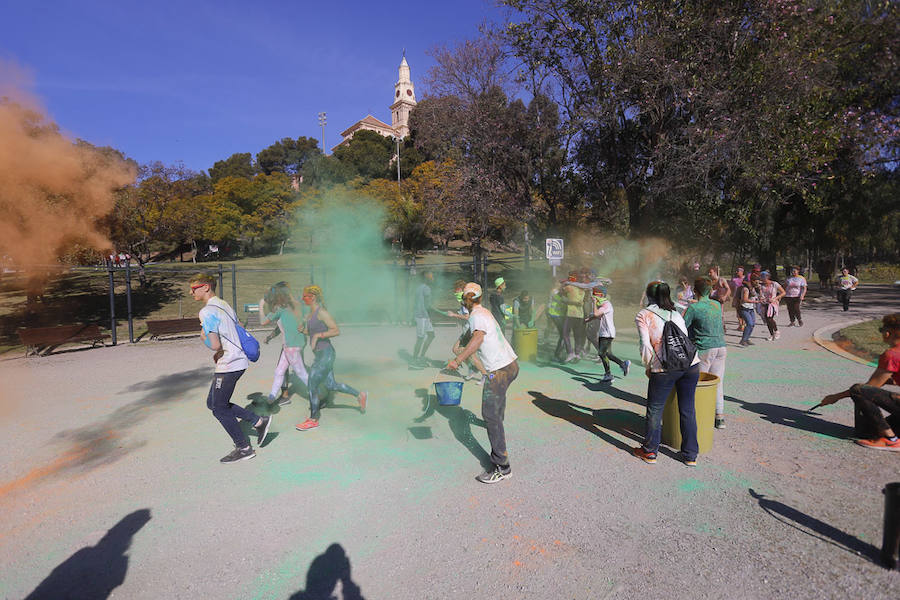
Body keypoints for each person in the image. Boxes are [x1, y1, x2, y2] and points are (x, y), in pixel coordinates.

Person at [189, 273, 272, 463]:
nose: (190, 292)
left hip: (230, 363)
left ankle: (244, 448)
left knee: (219, 408)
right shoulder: (224, 304)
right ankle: (259, 421)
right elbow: (238, 326)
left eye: (194, 288)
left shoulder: (207, 311)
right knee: (213, 403)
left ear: (206, 287)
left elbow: (215, 344)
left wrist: (205, 340)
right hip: (236, 361)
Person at [448, 282, 519, 483]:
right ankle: (499, 427)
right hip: (511, 365)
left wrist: (457, 361)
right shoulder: (482, 312)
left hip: (499, 370)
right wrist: (460, 345)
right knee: (495, 410)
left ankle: (502, 467)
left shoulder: (477, 316)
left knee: (489, 414)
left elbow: (478, 339)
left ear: (465, 299)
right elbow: (470, 336)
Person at [633, 281, 701, 466]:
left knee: (655, 410)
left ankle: (650, 452)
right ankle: (690, 455)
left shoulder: (644, 315)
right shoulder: (676, 312)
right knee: (687, 409)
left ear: (648, 295)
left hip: (664, 368)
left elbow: (645, 345)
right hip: (691, 364)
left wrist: (650, 367)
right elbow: (684, 337)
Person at [819, 314, 900, 450]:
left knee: (858, 390)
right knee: (868, 431)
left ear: (888, 333)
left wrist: (835, 397)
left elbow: (868, 388)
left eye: (881, 330)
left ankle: (890, 439)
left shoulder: (891, 354)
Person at [295, 285, 367, 431]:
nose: (303, 299)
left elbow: (335, 330)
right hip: (321, 355)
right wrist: (304, 330)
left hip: (326, 354)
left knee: (312, 384)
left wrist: (317, 336)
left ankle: (313, 419)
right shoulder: (311, 313)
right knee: (331, 385)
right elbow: (311, 331)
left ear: (313, 297)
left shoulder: (321, 312)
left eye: (305, 296)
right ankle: (359, 394)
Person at [684, 277, 728, 429]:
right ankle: (719, 416)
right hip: (721, 346)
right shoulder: (716, 304)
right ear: (710, 290)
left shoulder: (694, 308)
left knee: (699, 383)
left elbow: (682, 326)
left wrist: (688, 308)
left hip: (704, 348)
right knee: (717, 381)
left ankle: (700, 415)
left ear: (695, 291)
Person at [259, 282, 309, 406]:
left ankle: (317, 395)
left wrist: (260, 306)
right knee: (279, 371)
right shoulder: (295, 306)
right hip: (291, 346)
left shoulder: (281, 309)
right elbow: (283, 325)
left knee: (301, 373)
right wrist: (270, 337)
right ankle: (271, 397)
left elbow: (263, 322)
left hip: (291, 347)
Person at [584, 286, 630, 383]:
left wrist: (594, 303)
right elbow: (597, 315)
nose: (592, 295)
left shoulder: (606, 304)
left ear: (600, 294)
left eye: (594, 293)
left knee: (601, 353)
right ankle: (622, 364)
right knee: (606, 354)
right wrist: (588, 319)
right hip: (603, 332)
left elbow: (596, 314)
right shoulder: (602, 305)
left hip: (607, 333)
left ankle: (609, 374)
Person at [411, 271, 438, 367]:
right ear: (426, 279)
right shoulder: (426, 289)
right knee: (420, 338)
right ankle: (414, 360)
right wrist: (433, 315)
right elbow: (428, 305)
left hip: (421, 315)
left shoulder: (419, 288)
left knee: (431, 335)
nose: (433, 278)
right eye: (431, 277)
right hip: (422, 316)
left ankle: (421, 357)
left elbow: (416, 302)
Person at [562, 271, 586, 362]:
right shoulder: (583, 289)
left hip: (570, 314)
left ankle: (570, 353)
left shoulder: (569, 287)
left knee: (565, 333)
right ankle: (577, 353)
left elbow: (562, 298)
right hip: (580, 314)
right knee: (577, 335)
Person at [757, 271, 785, 341]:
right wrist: (761, 297)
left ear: (767, 277)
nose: (762, 279)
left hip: (772, 304)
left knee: (769, 318)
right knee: (767, 319)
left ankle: (776, 331)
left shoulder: (774, 284)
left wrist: (775, 298)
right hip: (764, 303)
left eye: (764, 277)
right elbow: (760, 295)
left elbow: (783, 292)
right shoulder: (761, 285)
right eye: (761, 277)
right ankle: (771, 334)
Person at [737, 276, 760, 347]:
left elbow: (757, 296)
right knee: (749, 323)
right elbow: (745, 299)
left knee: (752, 324)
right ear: (751, 281)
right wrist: (756, 301)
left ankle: (747, 338)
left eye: (758, 281)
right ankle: (743, 340)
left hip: (751, 308)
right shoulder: (746, 289)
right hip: (744, 308)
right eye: (755, 281)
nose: (757, 282)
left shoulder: (754, 289)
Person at [730, 267, 746, 331]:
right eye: (736, 271)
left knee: (743, 310)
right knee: (738, 311)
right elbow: (731, 287)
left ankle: (743, 324)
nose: (736, 272)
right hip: (736, 297)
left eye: (738, 271)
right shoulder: (734, 280)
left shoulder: (745, 279)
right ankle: (740, 324)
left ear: (742, 272)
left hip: (743, 297)